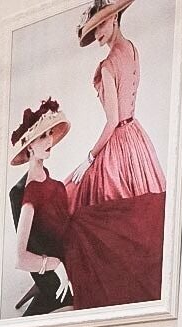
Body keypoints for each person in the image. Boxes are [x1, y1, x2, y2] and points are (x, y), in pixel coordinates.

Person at [68, 0, 167, 208]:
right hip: (136, 137)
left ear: (114, 17)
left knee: (83, 199)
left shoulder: (108, 66)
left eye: (100, 24)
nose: (96, 35)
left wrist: (89, 158)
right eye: (93, 30)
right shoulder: (132, 49)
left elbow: (112, 121)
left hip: (119, 142)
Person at [7, 98, 77, 317]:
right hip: (56, 270)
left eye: (49, 134)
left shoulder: (54, 184)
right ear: (29, 145)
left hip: (71, 256)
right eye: (42, 136)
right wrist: (55, 266)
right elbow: (21, 258)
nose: (49, 140)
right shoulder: (29, 192)